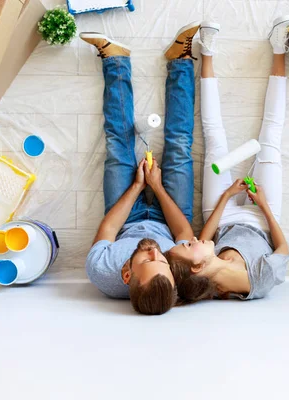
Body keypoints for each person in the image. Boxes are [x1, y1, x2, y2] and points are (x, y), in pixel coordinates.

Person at [166, 17, 289, 302]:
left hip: (221, 215)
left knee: (214, 137)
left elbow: (208, 236)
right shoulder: (260, 282)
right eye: (189, 246)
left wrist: (226, 196)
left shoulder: (204, 262)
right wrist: (262, 205)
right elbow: (282, 248)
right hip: (263, 216)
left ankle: (207, 51)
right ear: (198, 265)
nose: (192, 239)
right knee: (271, 137)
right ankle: (278, 48)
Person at [81, 22, 200, 315]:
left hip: (124, 218)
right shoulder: (179, 273)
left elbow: (109, 228)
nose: (155, 251)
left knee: (118, 144)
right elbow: (183, 231)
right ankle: (180, 60)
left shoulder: (101, 271)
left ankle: (115, 61)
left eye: (148, 261)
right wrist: (157, 187)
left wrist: (137, 187)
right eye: (163, 260)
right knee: (179, 145)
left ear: (126, 275)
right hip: (170, 218)